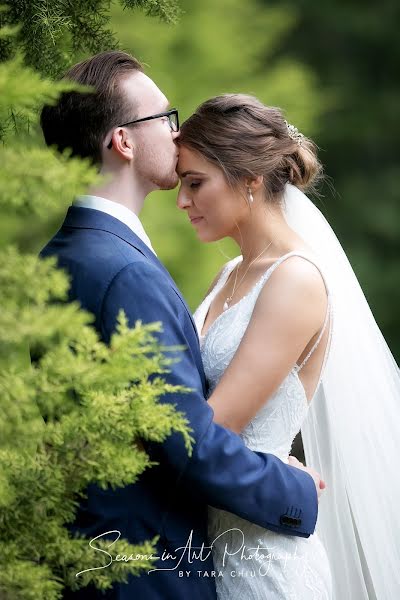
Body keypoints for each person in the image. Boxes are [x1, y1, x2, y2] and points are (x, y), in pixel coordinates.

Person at [39, 52, 322, 600]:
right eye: (165, 119)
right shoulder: (123, 270)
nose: (178, 133)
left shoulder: (64, 254)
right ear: (122, 141)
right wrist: (296, 488)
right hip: (146, 572)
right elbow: (184, 440)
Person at [177, 94, 400, 599]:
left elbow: (214, 427)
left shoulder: (295, 279)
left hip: (262, 560)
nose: (181, 200)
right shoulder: (230, 273)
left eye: (195, 183)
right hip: (207, 543)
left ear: (249, 179)